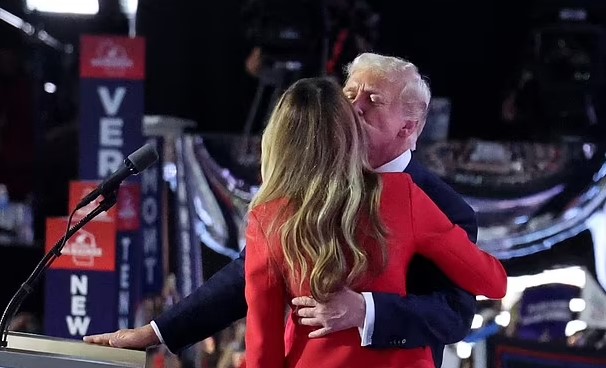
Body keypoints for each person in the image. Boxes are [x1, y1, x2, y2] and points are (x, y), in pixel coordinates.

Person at [84, 53, 484, 367]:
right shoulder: (303, 189)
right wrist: (156, 332)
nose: (353, 107)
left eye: (373, 100)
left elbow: (452, 316)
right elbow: (247, 278)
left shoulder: (444, 208)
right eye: (349, 94)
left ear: (408, 128)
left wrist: (365, 311)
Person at [244, 76, 506, 367]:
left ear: (278, 142)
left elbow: (262, 348)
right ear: (350, 132)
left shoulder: (267, 218)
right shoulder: (401, 195)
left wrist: (366, 309)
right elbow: (493, 282)